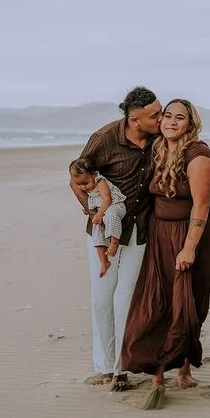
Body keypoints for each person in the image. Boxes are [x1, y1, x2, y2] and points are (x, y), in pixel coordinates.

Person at [121, 98, 210, 409]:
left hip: (193, 235)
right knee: (157, 299)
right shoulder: (158, 149)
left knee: (188, 300)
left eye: (179, 118)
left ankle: (183, 367)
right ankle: (157, 372)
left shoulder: (199, 157)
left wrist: (189, 247)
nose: (170, 122)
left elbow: (202, 206)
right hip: (160, 233)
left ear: (190, 124)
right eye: (167, 116)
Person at [70, 86, 161, 392]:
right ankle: (103, 366)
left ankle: (121, 367)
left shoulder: (158, 139)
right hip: (105, 229)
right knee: (102, 296)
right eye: (154, 115)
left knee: (127, 297)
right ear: (135, 120)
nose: (160, 119)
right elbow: (77, 176)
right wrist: (89, 209)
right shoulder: (105, 138)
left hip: (139, 228)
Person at [69, 157, 127, 278]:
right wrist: (89, 210)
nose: (83, 187)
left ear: (94, 174)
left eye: (85, 183)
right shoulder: (88, 187)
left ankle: (114, 242)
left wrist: (99, 214)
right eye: (79, 184)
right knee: (97, 230)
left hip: (116, 206)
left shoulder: (100, 182)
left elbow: (107, 199)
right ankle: (104, 262)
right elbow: (95, 201)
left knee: (110, 215)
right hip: (103, 211)